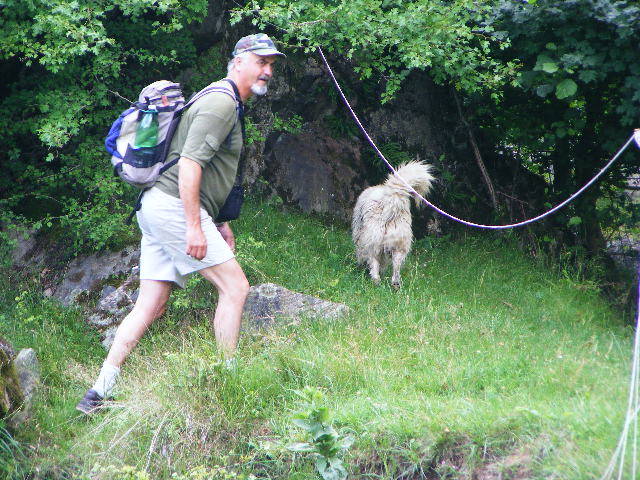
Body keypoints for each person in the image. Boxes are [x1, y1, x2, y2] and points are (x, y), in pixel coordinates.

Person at [76, 34, 285, 414]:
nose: (267, 70)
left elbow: (206, 168)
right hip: (174, 209)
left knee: (150, 304)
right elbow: (190, 164)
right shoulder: (221, 103)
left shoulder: (224, 99)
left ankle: (97, 394)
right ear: (238, 61)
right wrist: (193, 226)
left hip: (160, 207)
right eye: (260, 61)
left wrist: (218, 222)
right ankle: (228, 383)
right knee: (236, 288)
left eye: (271, 64)